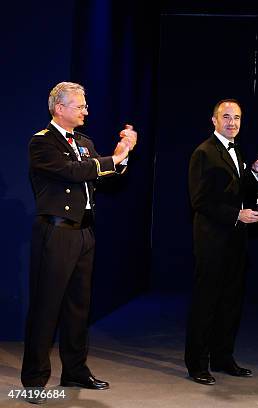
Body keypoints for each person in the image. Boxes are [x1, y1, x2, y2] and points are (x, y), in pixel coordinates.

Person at [22, 82, 136, 403]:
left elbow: (102, 173)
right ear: (60, 109)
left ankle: (75, 369)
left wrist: (122, 156)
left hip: (84, 231)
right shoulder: (42, 143)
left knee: (78, 307)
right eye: (80, 106)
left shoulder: (84, 141)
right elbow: (72, 172)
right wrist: (114, 158)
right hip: (56, 232)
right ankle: (33, 379)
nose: (86, 111)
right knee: (46, 307)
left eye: (85, 106)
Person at [185, 98, 258, 386]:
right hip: (212, 241)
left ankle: (222, 358)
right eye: (227, 117)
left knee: (231, 302)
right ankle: (197, 364)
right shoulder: (203, 153)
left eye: (237, 118)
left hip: (236, 240)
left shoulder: (237, 151)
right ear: (214, 120)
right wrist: (236, 214)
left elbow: (244, 188)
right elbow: (199, 201)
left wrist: (254, 170)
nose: (233, 122)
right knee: (206, 303)